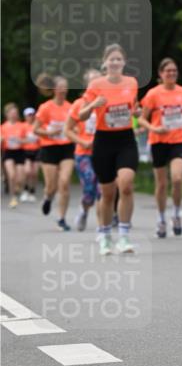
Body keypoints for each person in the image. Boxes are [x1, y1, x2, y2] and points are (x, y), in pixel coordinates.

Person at [79, 44, 139, 255]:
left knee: (126, 184)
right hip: (104, 141)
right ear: (105, 63)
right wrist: (94, 104)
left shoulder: (131, 82)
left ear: (124, 62)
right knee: (107, 193)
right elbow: (81, 115)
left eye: (118, 59)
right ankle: (105, 235)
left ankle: (123, 236)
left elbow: (134, 106)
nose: (114, 63)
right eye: (111, 59)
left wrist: (138, 113)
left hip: (126, 140)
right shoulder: (96, 85)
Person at [139, 58, 182, 238]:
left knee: (177, 179)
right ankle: (161, 219)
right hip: (158, 141)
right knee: (161, 184)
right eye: (167, 71)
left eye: (174, 71)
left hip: (178, 140)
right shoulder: (153, 94)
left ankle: (176, 214)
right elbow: (141, 119)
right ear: (160, 74)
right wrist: (154, 128)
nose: (171, 74)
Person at [33, 77, 74, 230]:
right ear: (54, 90)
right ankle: (48, 198)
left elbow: (77, 127)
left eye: (66, 87)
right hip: (49, 148)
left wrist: (72, 131)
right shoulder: (45, 108)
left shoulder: (71, 107)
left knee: (64, 182)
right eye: (61, 87)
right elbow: (35, 129)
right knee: (51, 186)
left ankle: (62, 218)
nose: (63, 90)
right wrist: (50, 132)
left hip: (66, 148)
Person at [65, 69, 101, 231]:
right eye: (92, 82)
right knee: (89, 189)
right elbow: (68, 130)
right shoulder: (79, 105)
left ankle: (103, 228)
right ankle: (84, 210)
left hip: (103, 152)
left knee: (102, 190)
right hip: (84, 153)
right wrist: (83, 142)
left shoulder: (107, 102)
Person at [1, 103, 26, 209]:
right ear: (7, 114)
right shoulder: (3, 127)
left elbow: (27, 140)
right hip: (8, 152)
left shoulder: (22, 125)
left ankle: (17, 189)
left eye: (15, 113)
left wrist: (20, 140)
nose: (14, 115)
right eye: (11, 113)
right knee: (11, 175)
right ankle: (13, 197)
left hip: (20, 152)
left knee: (20, 178)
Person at [21, 107, 40, 200]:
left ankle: (32, 191)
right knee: (28, 171)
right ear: (25, 116)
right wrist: (27, 140)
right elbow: (19, 139)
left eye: (32, 115)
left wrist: (37, 139)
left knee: (35, 173)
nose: (30, 117)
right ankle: (25, 189)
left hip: (36, 151)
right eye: (28, 115)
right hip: (27, 151)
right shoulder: (23, 126)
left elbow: (42, 138)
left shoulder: (37, 125)